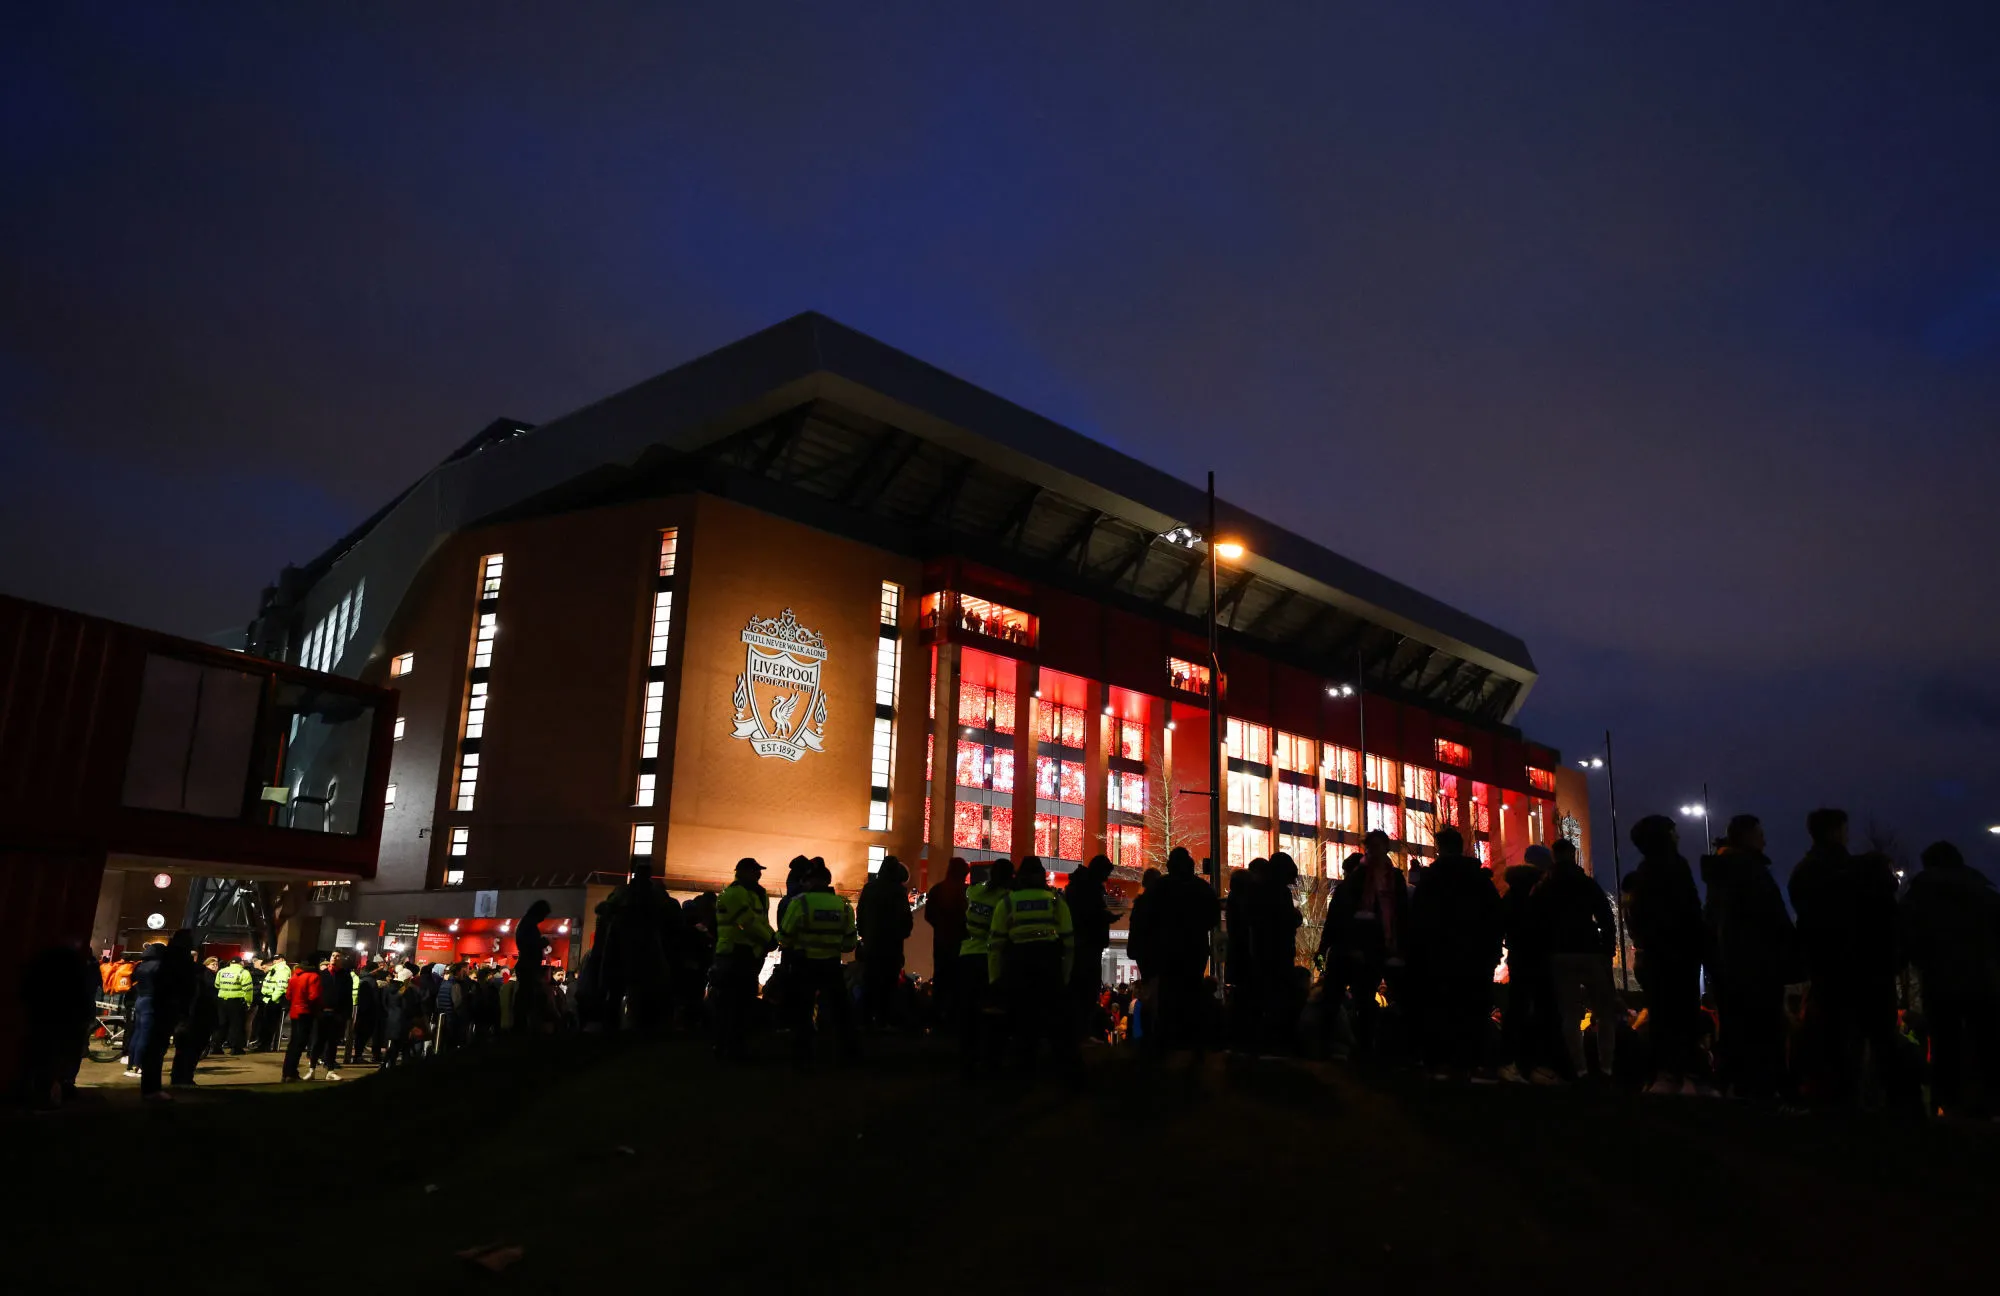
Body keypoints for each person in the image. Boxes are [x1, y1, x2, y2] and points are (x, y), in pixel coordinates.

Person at [1789, 808, 1905, 1109]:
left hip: (1828, 973)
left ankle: (1837, 1107)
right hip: (1868, 972)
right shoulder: (1861, 871)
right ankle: (1896, 1109)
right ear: (1837, 832)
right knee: (1881, 1043)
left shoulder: (1804, 872)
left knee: (1835, 1047)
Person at [1899, 840, 2000, 1118]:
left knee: (1945, 1044)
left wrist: (1921, 960)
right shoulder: (1982, 891)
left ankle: (1948, 1104)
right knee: (1986, 1042)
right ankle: (1990, 1101)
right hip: (1982, 979)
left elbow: (1908, 937)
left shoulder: (1920, 895)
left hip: (1940, 979)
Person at [1700, 815, 1796, 1101]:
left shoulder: (1721, 876)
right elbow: (1774, 919)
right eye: (1760, 834)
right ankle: (1766, 1093)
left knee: (1735, 1030)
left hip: (1728, 968)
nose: (1764, 840)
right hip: (1757, 966)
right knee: (1765, 1031)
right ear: (1747, 837)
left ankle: (1736, 1087)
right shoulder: (1750, 873)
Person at [1407, 827, 1501, 1080]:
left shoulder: (1432, 880)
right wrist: (1492, 953)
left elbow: (1418, 919)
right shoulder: (1479, 879)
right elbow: (1495, 918)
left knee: (1440, 1008)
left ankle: (1441, 1062)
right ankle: (1472, 1062)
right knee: (1473, 1011)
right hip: (1475, 957)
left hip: (1439, 956)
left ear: (1441, 848)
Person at [1624, 815, 1707, 1095]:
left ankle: (1665, 1074)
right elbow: (1691, 910)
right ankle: (1684, 1074)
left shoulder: (1644, 872)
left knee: (1661, 1015)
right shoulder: (1675, 867)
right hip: (1678, 954)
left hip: (1656, 954)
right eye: (1673, 831)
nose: (1678, 836)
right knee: (1682, 1013)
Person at [1536, 838, 1622, 1083]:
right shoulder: (1586, 884)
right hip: (1590, 950)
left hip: (1560, 953)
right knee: (1604, 1013)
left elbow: (1538, 922)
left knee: (1570, 1014)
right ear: (1573, 855)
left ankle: (1580, 1069)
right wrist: (1607, 948)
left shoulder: (1546, 887)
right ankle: (1606, 1067)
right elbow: (1605, 916)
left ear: (1554, 857)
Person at [1318, 837, 1408, 1062]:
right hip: (1368, 949)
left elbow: (1336, 919)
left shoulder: (1373, 881)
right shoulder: (1382, 880)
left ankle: (1347, 1046)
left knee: (1351, 997)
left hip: (1361, 949)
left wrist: (1324, 947)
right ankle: (1363, 1047)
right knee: (1361, 998)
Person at [988, 856, 1075, 1077]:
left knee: (1023, 1025)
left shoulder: (1007, 902)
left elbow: (995, 945)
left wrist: (995, 978)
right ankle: (1064, 1076)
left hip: (1018, 965)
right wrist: (1064, 976)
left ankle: (1023, 1074)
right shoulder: (1055, 901)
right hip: (1049, 964)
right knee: (1056, 1025)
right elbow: (1068, 943)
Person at [777, 860, 858, 1069]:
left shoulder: (800, 903)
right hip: (831, 965)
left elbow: (785, 937)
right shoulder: (843, 905)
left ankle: (802, 1057)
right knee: (840, 1010)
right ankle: (846, 1053)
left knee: (802, 1011)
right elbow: (850, 943)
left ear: (810, 881)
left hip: (805, 965)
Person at [594, 863, 681, 1033]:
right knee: (637, 989)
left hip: (627, 947)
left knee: (620, 989)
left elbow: (603, 909)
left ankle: (617, 1025)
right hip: (643, 948)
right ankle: (635, 1025)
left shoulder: (623, 893)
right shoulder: (654, 896)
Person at [16, 940, 99, 1109]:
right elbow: (82, 998)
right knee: (54, 1061)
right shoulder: (75, 973)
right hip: (64, 1023)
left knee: (36, 1059)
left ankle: (31, 1096)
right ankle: (50, 1096)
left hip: (40, 1020)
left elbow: (25, 993)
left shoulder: (37, 969)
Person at [1153, 847, 1221, 1054]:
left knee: (1168, 994)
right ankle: (1191, 1040)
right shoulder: (1202, 888)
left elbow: (1150, 917)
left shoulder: (1161, 887)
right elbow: (1213, 918)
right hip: (1194, 947)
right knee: (1191, 992)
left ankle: (1168, 1041)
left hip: (1168, 948)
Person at [1497, 846, 1553, 1083]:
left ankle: (1513, 1062)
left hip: (1519, 958)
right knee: (1536, 1009)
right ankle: (1529, 1062)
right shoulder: (1536, 901)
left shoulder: (1509, 899)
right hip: (1535, 959)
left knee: (1517, 1008)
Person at [711, 858, 775, 1061]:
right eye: (755, 871)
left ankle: (731, 1046)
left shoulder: (755, 893)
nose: (759, 874)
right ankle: (728, 1047)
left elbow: (760, 921)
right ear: (743, 872)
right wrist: (770, 939)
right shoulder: (735, 894)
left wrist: (769, 939)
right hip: (735, 954)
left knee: (738, 1004)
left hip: (746, 954)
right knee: (733, 1004)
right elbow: (748, 922)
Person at [958, 859, 1014, 1078]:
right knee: (991, 1012)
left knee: (968, 1012)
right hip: (990, 959)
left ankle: (967, 1061)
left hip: (967, 954)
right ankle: (990, 1061)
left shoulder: (974, 891)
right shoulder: (1006, 899)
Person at [1252, 852, 1305, 1055]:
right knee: (1279, 997)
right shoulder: (1279, 893)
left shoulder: (1260, 890)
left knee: (1268, 996)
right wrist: (1295, 918)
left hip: (1264, 952)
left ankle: (1267, 1041)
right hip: (1279, 952)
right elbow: (1283, 920)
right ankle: (1277, 1041)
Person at [856, 854, 913, 1031]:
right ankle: (883, 1020)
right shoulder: (898, 892)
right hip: (892, 947)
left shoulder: (870, 888)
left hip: (872, 945)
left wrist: (864, 935)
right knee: (888, 984)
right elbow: (905, 920)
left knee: (870, 982)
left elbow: (861, 913)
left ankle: (865, 1020)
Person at [1065, 855, 1117, 1042]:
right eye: (1106, 874)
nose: (1106, 878)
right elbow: (1089, 914)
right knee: (1085, 990)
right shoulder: (1089, 889)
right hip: (1086, 945)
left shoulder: (1080, 887)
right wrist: (1105, 918)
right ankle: (1081, 1034)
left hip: (1083, 944)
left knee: (1082, 990)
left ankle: (1079, 1033)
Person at [1224, 858, 1267, 1052]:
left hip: (1237, 956)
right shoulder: (1247, 902)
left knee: (1240, 996)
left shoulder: (1233, 901)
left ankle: (1237, 1038)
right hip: (1248, 957)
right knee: (1250, 997)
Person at [924, 858, 971, 1021]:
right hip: (962, 943)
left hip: (941, 941)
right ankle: (955, 1016)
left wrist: (941, 926)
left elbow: (928, 915)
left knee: (941, 978)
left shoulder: (937, 890)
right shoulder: (966, 892)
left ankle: (937, 1015)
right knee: (959, 981)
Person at [311, 951, 352, 1080]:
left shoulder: (345, 976)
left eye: (337, 956)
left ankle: (330, 1069)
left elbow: (348, 997)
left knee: (332, 1043)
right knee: (318, 1041)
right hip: (322, 1013)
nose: (334, 958)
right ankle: (312, 1068)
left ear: (342, 959)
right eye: (333, 956)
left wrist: (345, 1015)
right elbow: (315, 994)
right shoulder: (322, 975)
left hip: (336, 1014)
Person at [281, 955, 323, 1081]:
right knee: (299, 1044)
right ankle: (291, 1073)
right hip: (306, 1012)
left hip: (294, 1011)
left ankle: (287, 1072)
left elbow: (288, 995)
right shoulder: (313, 977)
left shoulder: (295, 976)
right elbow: (314, 996)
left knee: (293, 1044)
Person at [514, 900, 552, 1034]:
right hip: (528, 965)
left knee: (526, 995)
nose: (543, 918)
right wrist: (542, 942)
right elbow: (529, 945)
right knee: (526, 996)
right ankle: (523, 1027)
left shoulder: (525, 923)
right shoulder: (529, 925)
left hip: (527, 964)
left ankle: (522, 1025)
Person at [213, 954, 255, 1056]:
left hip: (222, 1000)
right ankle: (236, 1048)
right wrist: (248, 1002)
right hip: (236, 1001)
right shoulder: (243, 972)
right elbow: (248, 990)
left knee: (221, 1024)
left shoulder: (221, 971)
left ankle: (216, 1047)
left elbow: (217, 985)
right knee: (236, 1025)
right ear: (241, 963)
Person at [253, 955, 290, 1052]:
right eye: (274, 959)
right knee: (265, 1024)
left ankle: (265, 1046)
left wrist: (273, 999)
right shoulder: (275, 969)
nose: (275, 961)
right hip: (268, 999)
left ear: (282, 960)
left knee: (270, 1025)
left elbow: (281, 986)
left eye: (277, 959)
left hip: (274, 1000)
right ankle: (262, 1044)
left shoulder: (282, 969)